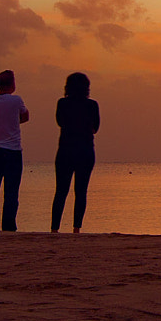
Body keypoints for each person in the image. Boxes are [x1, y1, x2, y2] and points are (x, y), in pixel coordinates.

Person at [52, 71, 99, 234]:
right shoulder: (92, 105)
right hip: (85, 150)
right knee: (81, 191)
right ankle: (76, 228)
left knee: (61, 190)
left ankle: (54, 228)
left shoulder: (62, 103)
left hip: (65, 149)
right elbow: (96, 128)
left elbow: (59, 122)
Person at [0, 69, 29, 231]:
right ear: (12, 84)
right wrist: (13, 122)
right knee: (11, 192)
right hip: (12, 151)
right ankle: (8, 226)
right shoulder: (16, 100)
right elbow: (25, 116)